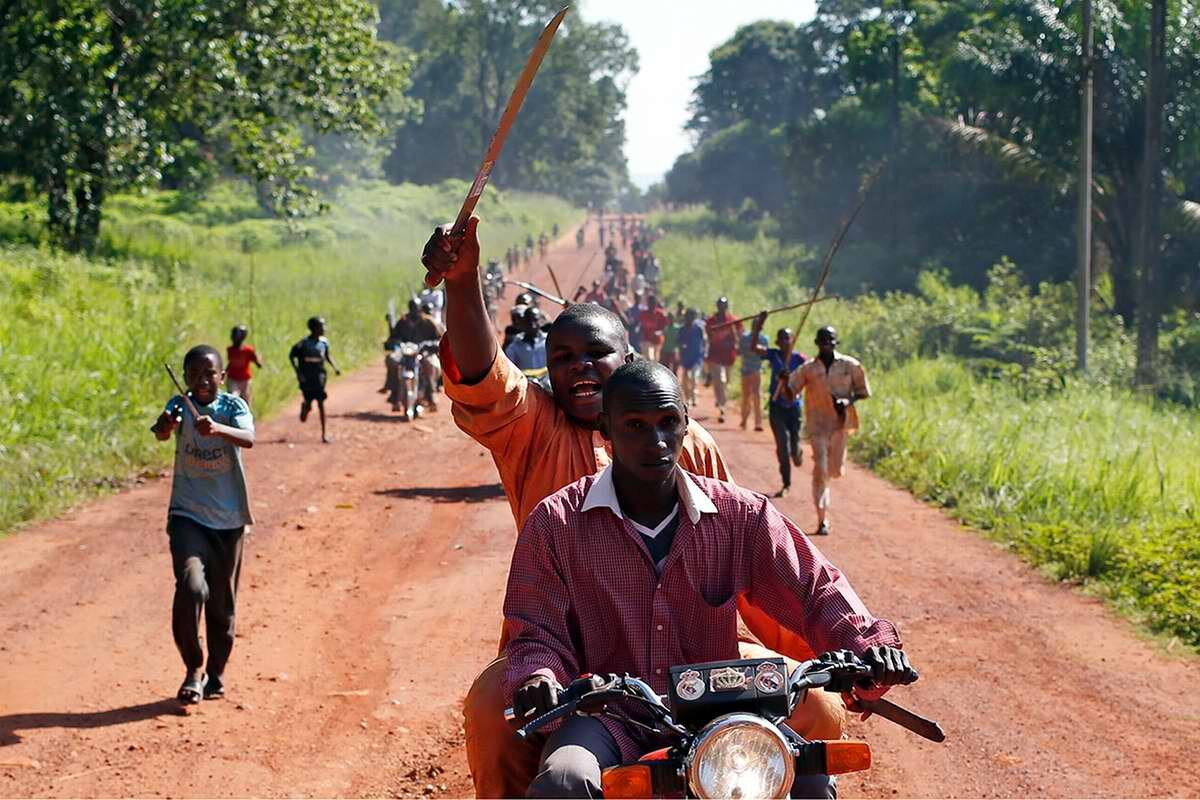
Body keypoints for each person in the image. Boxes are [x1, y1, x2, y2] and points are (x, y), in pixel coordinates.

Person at [421, 217, 843, 799]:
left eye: (597, 354)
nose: (580, 366)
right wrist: (463, 280)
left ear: (632, 362)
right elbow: (482, 376)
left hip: (701, 655)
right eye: (564, 357)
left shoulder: (695, 448)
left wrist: (833, 654)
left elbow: (754, 562)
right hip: (575, 663)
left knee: (818, 708)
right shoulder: (534, 429)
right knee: (496, 718)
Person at [504, 361, 914, 799]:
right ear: (605, 429)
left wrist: (869, 648)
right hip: (609, 716)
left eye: (668, 422)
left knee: (809, 780)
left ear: (686, 422)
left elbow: (815, 590)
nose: (656, 441)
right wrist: (538, 678)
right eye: (635, 425)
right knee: (564, 779)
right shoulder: (556, 523)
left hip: (725, 713)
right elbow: (536, 632)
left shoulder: (742, 516)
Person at [151, 345, 255, 704]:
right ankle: (193, 668)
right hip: (187, 515)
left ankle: (216, 673)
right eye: (194, 373)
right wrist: (165, 426)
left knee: (222, 607)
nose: (202, 380)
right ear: (185, 377)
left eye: (209, 373)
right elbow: (162, 431)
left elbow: (249, 439)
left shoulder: (233, 407)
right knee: (191, 586)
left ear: (222, 377)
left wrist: (218, 429)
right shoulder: (179, 405)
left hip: (229, 520)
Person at [789, 326, 870, 535]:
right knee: (821, 470)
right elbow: (791, 391)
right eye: (822, 341)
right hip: (817, 426)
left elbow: (864, 391)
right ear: (817, 343)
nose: (826, 344)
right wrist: (784, 381)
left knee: (834, 470)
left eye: (830, 341)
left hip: (841, 425)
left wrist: (848, 400)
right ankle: (822, 519)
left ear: (835, 343)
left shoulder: (850, 365)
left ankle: (830, 477)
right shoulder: (808, 369)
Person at [751, 313, 806, 497]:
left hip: (794, 407)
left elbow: (810, 375)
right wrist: (757, 328)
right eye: (781, 338)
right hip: (776, 408)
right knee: (783, 446)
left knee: (794, 449)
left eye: (787, 338)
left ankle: (797, 452)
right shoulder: (774, 355)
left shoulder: (800, 359)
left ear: (792, 340)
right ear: (777, 341)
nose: (784, 341)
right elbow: (754, 348)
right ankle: (786, 483)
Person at [289, 316, 340, 444]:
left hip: (319, 378)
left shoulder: (324, 343)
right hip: (307, 379)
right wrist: (298, 372)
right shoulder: (303, 344)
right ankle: (306, 406)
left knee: (321, 403)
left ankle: (324, 434)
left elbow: (327, 356)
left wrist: (335, 367)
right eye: (321, 326)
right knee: (307, 405)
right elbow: (291, 356)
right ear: (314, 328)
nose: (324, 329)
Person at [705, 296, 742, 424]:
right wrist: (715, 332)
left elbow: (739, 336)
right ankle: (722, 409)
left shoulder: (733, 320)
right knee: (720, 380)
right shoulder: (711, 321)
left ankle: (721, 400)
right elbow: (710, 337)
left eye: (723, 306)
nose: (721, 308)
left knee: (726, 383)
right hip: (715, 357)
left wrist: (734, 337)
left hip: (728, 357)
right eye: (719, 306)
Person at [504, 306, 549, 387]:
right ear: (524, 323)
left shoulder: (549, 341)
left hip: (548, 384)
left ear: (541, 321)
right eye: (529, 321)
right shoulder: (514, 347)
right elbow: (509, 370)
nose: (532, 324)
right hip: (526, 386)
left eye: (535, 320)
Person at [739, 323, 769, 431]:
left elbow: (764, 354)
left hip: (756, 371)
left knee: (756, 396)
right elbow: (742, 351)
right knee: (747, 396)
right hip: (747, 370)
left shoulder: (764, 339)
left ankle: (757, 422)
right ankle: (745, 419)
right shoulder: (745, 337)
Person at [225, 324, 262, 405]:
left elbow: (257, 362)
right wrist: (225, 372)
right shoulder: (230, 350)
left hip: (245, 380)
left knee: (245, 401)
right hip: (233, 379)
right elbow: (231, 363)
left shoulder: (248, 350)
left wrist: (257, 360)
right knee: (232, 398)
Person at [678, 307, 707, 406]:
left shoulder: (699, 328)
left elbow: (704, 340)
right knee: (685, 380)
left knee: (694, 377)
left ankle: (694, 397)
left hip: (696, 357)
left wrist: (704, 352)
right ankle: (688, 398)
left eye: (691, 316)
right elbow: (679, 342)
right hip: (686, 357)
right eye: (688, 316)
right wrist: (682, 348)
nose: (689, 318)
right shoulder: (682, 329)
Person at [637, 294, 670, 362]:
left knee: (655, 360)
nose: (651, 305)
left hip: (657, 341)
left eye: (653, 303)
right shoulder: (643, 314)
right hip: (646, 340)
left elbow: (665, 327)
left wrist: (659, 332)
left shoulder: (660, 314)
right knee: (649, 358)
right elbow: (640, 325)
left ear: (655, 303)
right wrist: (639, 333)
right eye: (650, 303)